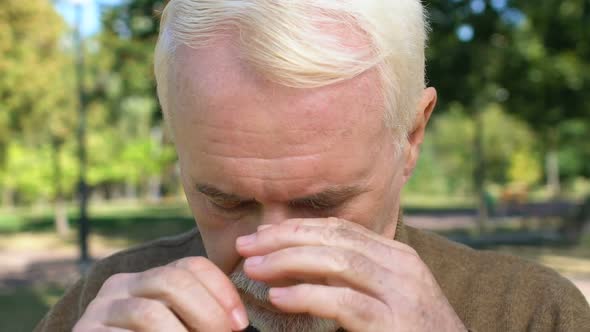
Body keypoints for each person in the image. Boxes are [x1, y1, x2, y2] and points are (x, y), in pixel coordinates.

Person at [35, 0, 590, 331]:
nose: (271, 260)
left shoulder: (532, 315)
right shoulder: (103, 303)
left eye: (322, 204)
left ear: (412, 136)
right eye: (226, 200)